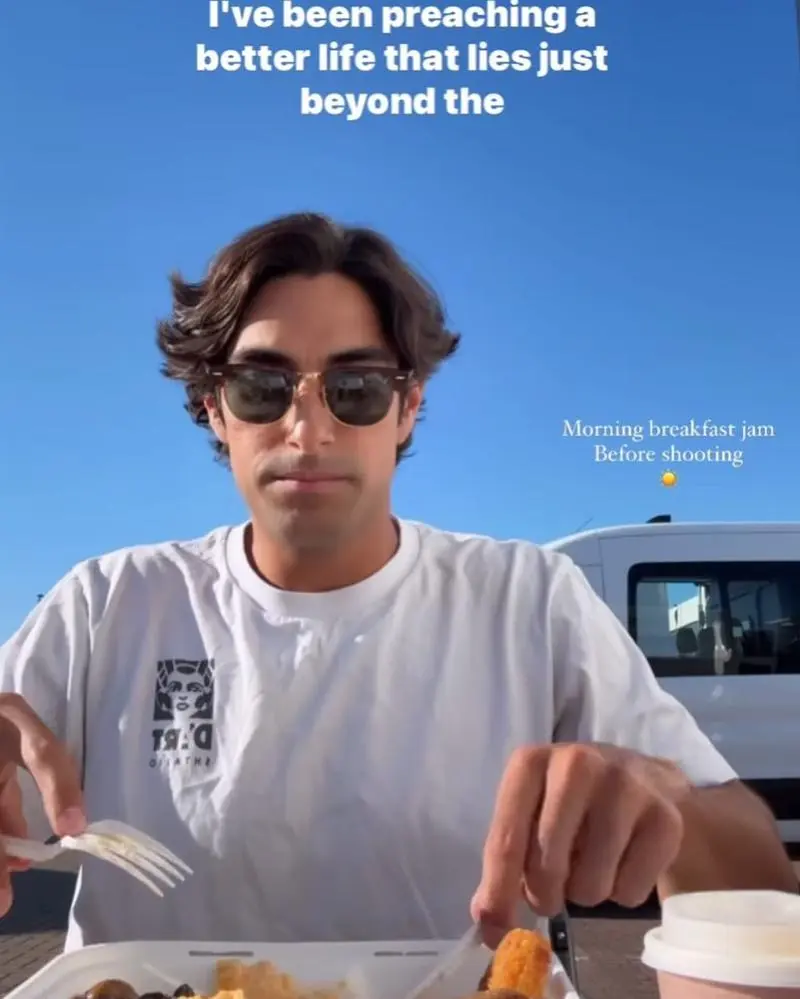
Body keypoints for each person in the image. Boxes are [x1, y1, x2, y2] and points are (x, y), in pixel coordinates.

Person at [0, 214, 794, 954]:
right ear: (214, 408)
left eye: (356, 389)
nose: (308, 429)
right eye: (261, 387)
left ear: (408, 407)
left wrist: (671, 804)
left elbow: (762, 885)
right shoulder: (109, 607)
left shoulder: (529, 601)